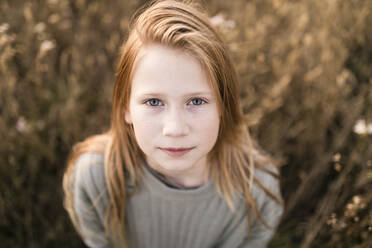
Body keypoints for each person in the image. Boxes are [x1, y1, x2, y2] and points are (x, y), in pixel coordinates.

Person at [62, 0, 284, 247]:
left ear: (223, 104)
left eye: (197, 101)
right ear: (126, 108)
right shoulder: (95, 178)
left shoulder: (259, 193)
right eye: (154, 102)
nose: (176, 129)